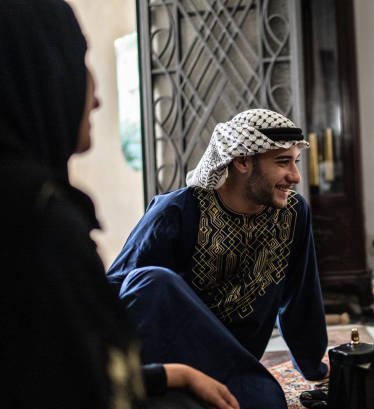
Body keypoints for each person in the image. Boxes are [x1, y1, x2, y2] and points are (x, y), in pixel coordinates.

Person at [0, 1, 239, 408]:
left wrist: (167, 374)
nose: (94, 97)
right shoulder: (37, 224)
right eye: (78, 62)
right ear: (36, 74)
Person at [106, 108, 329, 408]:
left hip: (232, 360)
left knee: (267, 401)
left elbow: (301, 294)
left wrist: (314, 367)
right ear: (242, 161)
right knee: (154, 280)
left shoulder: (293, 213)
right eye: (282, 162)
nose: (295, 176)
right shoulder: (176, 212)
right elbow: (123, 289)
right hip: (172, 358)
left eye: (296, 162)